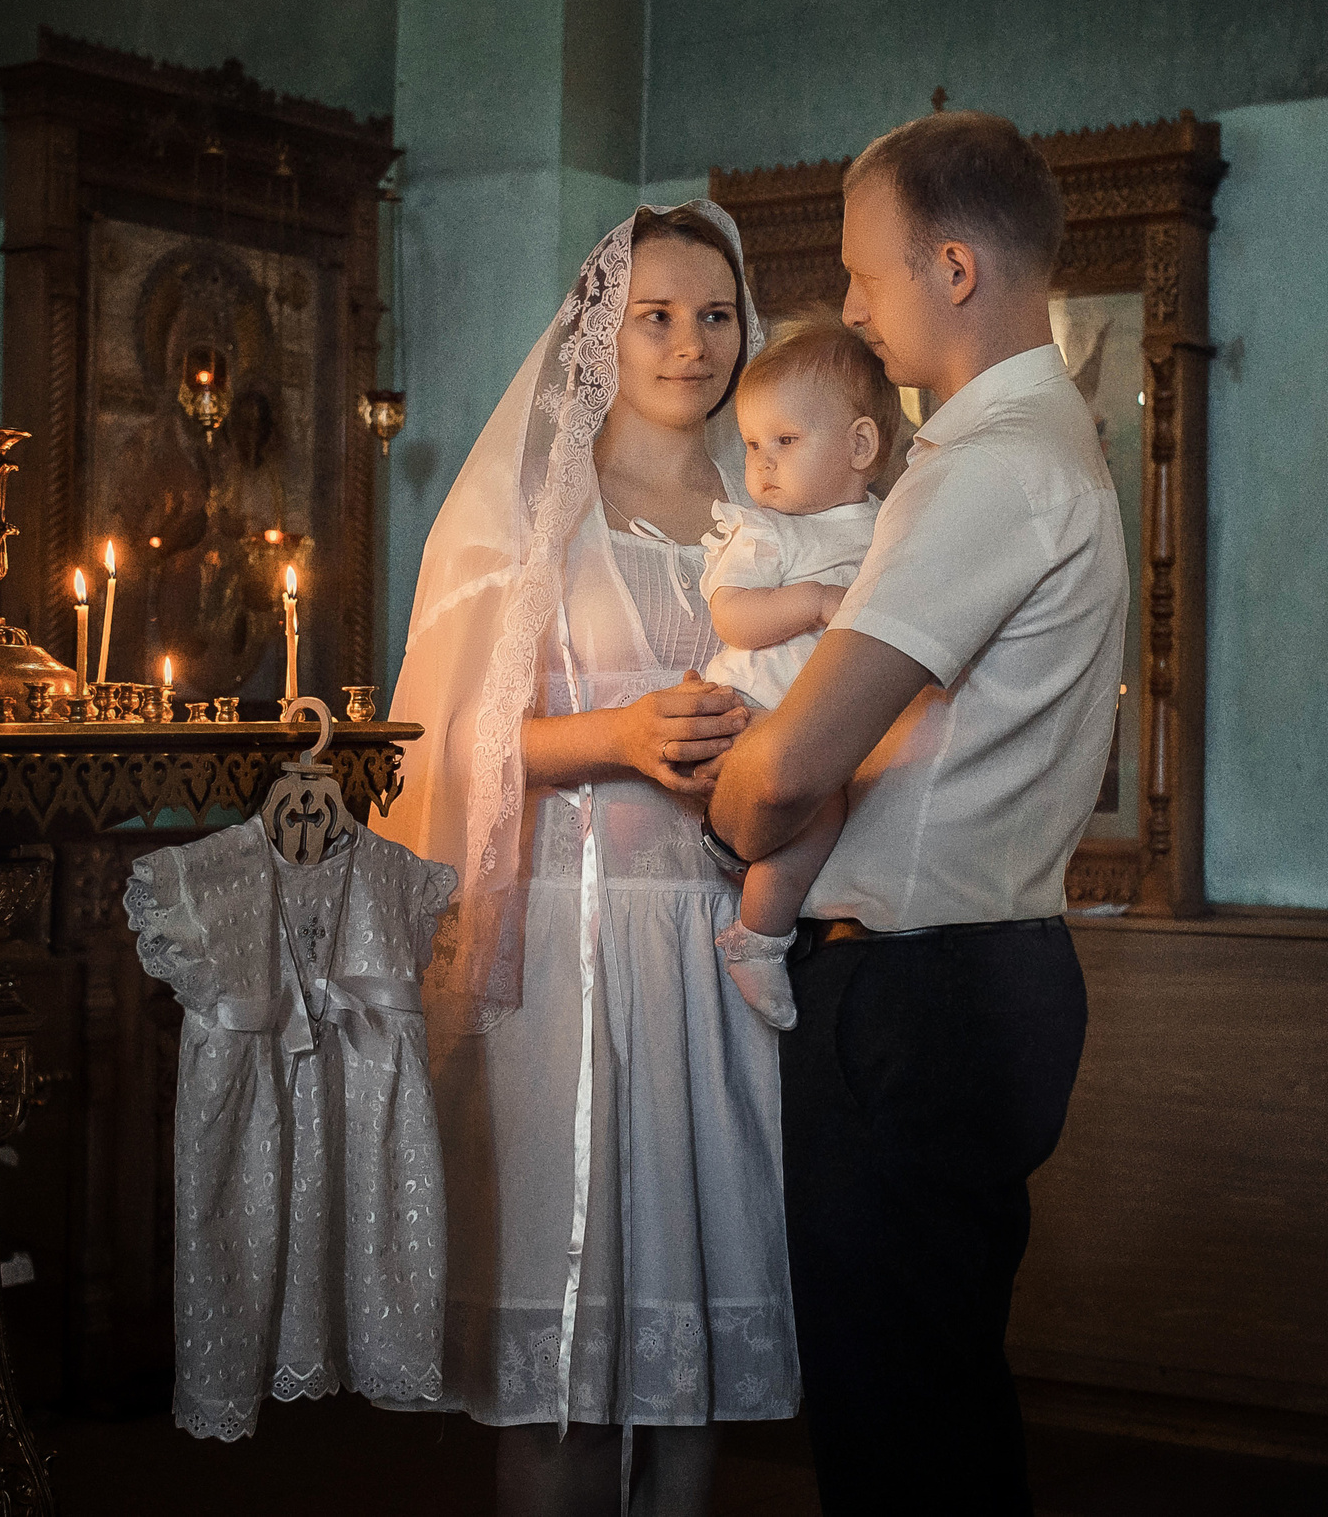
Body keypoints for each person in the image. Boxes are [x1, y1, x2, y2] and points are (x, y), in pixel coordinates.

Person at [709, 111, 1125, 1514]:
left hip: (923, 985)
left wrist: (719, 788)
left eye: (864, 272)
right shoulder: (1031, 446)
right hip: (975, 973)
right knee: (928, 1405)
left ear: (953, 268)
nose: (851, 307)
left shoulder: (988, 466)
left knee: (899, 1433)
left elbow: (788, 771)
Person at [375, 201, 799, 1515]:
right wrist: (614, 735)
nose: (690, 344)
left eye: (716, 315)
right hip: (568, 952)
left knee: (687, 1366)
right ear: (597, 332)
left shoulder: (766, 510)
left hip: (718, 950)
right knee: (564, 1362)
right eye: (654, 315)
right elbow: (446, 746)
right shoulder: (530, 512)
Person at [698, 312, 894, 1030]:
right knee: (824, 804)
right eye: (753, 444)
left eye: (785, 441)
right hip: (752, 708)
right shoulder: (769, 532)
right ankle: (758, 936)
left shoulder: (892, 525)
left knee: (848, 800)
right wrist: (810, 601)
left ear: (860, 445)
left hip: (823, 719)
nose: (763, 464)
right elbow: (732, 616)